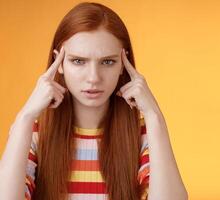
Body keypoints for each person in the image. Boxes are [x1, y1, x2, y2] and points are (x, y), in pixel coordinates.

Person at [0, 2, 188, 200]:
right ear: (59, 64)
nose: (93, 77)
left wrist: (154, 116)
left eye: (107, 62)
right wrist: (24, 117)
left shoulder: (143, 134)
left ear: (123, 64)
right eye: (78, 61)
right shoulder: (33, 134)